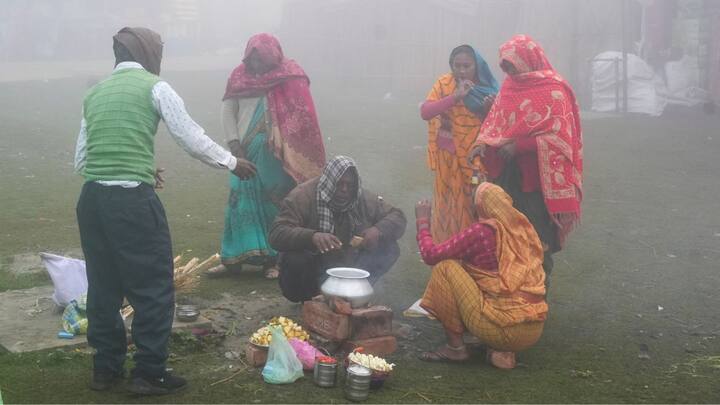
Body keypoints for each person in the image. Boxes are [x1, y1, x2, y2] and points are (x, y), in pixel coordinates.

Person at [74, 27, 256, 395]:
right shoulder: (155, 87)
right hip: (131, 204)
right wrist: (231, 161)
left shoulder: (94, 95)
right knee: (154, 286)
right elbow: (189, 137)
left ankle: (106, 370)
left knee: (104, 286)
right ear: (147, 54)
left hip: (92, 201)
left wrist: (136, 167)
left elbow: (82, 159)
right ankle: (149, 373)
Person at [210, 33, 326, 279]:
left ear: (273, 56)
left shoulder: (290, 76)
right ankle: (232, 258)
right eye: (252, 59)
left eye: (260, 59)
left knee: (275, 203)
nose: (256, 65)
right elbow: (228, 112)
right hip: (244, 154)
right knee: (238, 202)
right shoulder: (239, 77)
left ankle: (274, 260)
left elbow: (303, 117)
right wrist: (234, 145)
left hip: (277, 158)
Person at [470, 35, 583, 284]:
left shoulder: (554, 89)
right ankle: (512, 289)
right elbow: (496, 125)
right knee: (504, 232)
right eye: (505, 66)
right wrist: (481, 145)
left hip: (536, 182)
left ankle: (538, 292)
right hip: (505, 177)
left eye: (512, 65)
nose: (509, 71)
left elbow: (562, 138)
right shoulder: (510, 86)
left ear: (528, 60)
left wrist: (519, 146)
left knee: (534, 237)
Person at [414, 182, 548, 369]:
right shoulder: (522, 229)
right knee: (486, 279)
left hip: (503, 330)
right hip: (533, 328)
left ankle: (456, 348)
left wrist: (422, 221)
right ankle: (500, 349)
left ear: (481, 205)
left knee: (445, 267)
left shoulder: (483, 232)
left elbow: (431, 256)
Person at [268, 156, 406, 302]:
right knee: (295, 259)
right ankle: (311, 300)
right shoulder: (302, 196)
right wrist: (312, 237)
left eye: (350, 185)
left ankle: (353, 295)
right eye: (339, 184)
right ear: (328, 181)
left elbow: (398, 216)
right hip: (314, 269)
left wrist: (378, 230)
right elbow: (277, 233)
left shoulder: (361, 198)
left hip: (348, 264)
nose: (344, 190)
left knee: (389, 248)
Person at [420, 44, 499, 244]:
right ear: (451, 66)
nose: (462, 71)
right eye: (457, 66)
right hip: (449, 156)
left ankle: (474, 251)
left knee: (475, 203)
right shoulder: (445, 83)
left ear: (477, 66)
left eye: (467, 66)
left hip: (477, 157)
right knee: (447, 206)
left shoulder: (487, 89)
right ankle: (445, 250)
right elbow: (426, 112)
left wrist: (489, 109)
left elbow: (498, 124)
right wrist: (455, 97)